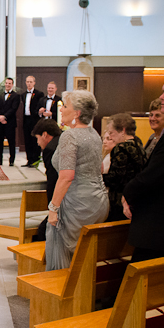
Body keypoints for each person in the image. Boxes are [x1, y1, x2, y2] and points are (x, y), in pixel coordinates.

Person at [46, 90, 108, 270]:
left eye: (65, 106)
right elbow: (100, 168)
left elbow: (66, 176)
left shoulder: (69, 136)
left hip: (77, 203)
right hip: (97, 201)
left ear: (77, 113)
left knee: (67, 252)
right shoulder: (94, 133)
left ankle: (65, 293)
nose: (62, 109)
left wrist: (53, 208)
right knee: (86, 253)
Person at [123, 74, 164, 262]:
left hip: (162, 223)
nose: (162, 97)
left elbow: (156, 172)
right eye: (163, 92)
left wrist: (128, 192)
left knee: (142, 279)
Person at [102, 114, 146, 222]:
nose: (110, 137)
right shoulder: (138, 143)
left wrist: (98, 175)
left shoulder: (121, 148)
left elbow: (115, 179)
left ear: (123, 130)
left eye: (111, 133)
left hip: (120, 200)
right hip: (136, 197)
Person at [30, 119, 62, 242]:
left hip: (62, 201)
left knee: (44, 230)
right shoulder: (64, 139)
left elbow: (53, 179)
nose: (38, 143)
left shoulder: (51, 148)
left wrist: (52, 206)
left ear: (45, 134)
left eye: (38, 138)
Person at [0, 77, 20, 166]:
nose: (8, 85)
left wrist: (5, 117)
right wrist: (0, 117)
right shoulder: (0, 95)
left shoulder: (16, 96)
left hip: (10, 122)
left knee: (11, 142)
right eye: (7, 83)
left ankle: (11, 160)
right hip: (0, 123)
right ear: (5, 84)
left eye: (10, 83)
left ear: (12, 85)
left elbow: (14, 108)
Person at [21, 75, 44, 167]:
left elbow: (40, 106)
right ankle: (29, 160)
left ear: (34, 83)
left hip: (35, 119)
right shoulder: (23, 95)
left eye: (31, 82)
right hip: (26, 119)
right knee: (27, 140)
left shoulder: (39, 94)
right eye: (27, 82)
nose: (29, 84)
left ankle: (35, 160)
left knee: (35, 140)